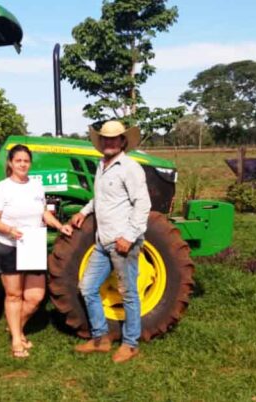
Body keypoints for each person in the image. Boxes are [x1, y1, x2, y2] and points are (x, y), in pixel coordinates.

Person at [70, 120, 151, 363]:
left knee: (128, 293)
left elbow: (143, 204)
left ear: (123, 141)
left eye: (114, 138)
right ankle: (100, 338)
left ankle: (130, 343)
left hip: (122, 242)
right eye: (105, 138)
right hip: (102, 242)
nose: (109, 141)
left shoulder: (130, 168)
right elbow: (101, 199)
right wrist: (84, 212)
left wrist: (129, 236)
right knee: (87, 288)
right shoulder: (102, 165)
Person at [0, 144, 73, 358]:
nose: (23, 164)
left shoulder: (35, 186)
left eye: (26, 161)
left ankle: (15, 325)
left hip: (32, 244)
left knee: (35, 296)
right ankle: (17, 338)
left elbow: (43, 212)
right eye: (18, 161)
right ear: (10, 163)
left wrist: (60, 225)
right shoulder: (2, 188)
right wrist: (9, 230)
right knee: (14, 295)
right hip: (9, 245)